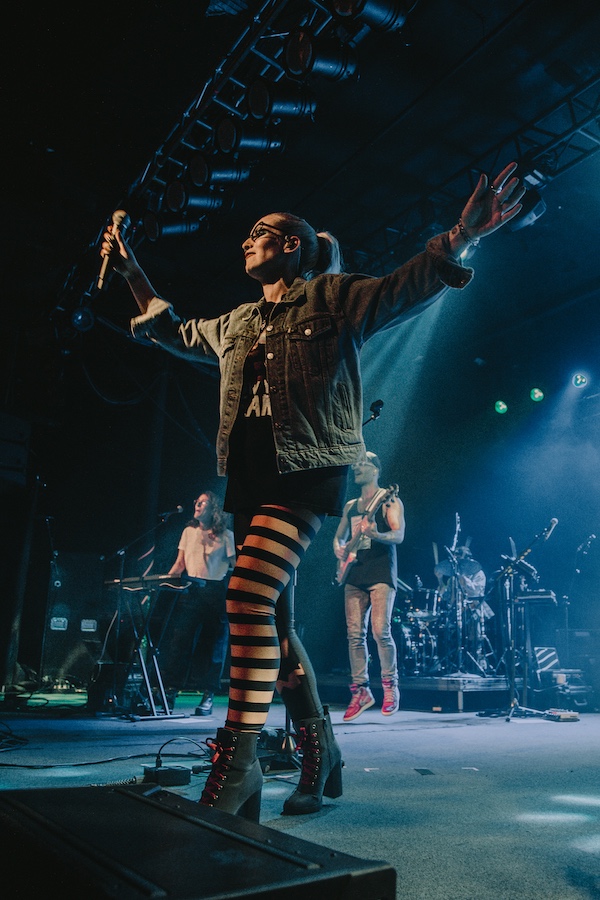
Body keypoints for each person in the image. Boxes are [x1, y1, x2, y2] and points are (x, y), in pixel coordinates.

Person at [100, 161, 524, 821]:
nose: (246, 241)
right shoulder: (237, 322)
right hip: (251, 476)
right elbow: (175, 328)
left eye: (260, 233)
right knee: (272, 617)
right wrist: (130, 270)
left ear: (292, 245)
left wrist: (460, 237)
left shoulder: (333, 297)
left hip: (307, 470)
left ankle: (237, 762)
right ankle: (321, 753)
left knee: (244, 595)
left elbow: (404, 288)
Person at [333, 451, 405, 721]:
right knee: (354, 635)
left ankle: (390, 687)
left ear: (376, 469)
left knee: (380, 631)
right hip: (353, 574)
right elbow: (338, 537)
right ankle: (360, 690)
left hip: (380, 573)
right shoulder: (351, 505)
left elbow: (398, 534)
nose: (357, 468)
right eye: (356, 464)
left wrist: (375, 533)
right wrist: (338, 550)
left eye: (363, 464)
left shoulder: (388, 499)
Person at [160, 491, 235, 716]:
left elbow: (235, 565)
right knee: (179, 640)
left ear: (214, 509)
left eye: (203, 502)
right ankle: (170, 690)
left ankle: (208, 694)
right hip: (190, 589)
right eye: (197, 502)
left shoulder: (226, 536)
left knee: (213, 646)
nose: (197, 505)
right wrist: (163, 583)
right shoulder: (188, 532)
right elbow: (179, 564)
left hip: (215, 591)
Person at [434, 544, 494, 673]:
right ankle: (450, 663)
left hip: (474, 609)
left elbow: (476, 592)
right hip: (456, 612)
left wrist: (463, 578)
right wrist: (439, 580)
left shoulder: (479, 573)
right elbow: (446, 596)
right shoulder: (452, 579)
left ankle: (476, 663)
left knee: (475, 637)